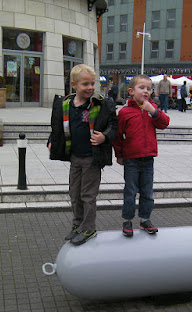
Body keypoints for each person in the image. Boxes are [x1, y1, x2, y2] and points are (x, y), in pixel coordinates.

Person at [48, 64, 118, 245]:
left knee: (88, 195)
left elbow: (114, 126)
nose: (90, 88)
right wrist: (52, 140)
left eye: (92, 83)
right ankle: (77, 225)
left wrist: (104, 136)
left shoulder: (101, 104)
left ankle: (88, 229)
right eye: (85, 84)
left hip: (92, 159)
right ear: (74, 85)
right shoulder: (65, 104)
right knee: (74, 194)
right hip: (75, 158)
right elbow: (57, 127)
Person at [113, 74, 170, 237]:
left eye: (149, 88)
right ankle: (127, 220)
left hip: (148, 158)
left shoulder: (152, 110)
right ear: (131, 91)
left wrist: (153, 111)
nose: (146, 91)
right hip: (131, 159)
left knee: (147, 192)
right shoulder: (125, 112)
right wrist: (119, 154)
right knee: (130, 191)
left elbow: (165, 123)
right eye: (141, 88)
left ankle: (145, 219)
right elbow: (118, 135)